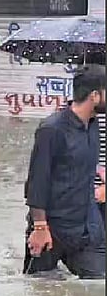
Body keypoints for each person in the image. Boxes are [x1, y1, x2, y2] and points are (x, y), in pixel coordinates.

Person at [23, 64, 105, 279]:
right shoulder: (52, 129)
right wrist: (40, 227)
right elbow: (36, 182)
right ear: (95, 96)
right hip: (52, 230)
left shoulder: (93, 125)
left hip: (86, 229)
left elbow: (81, 162)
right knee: (40, 291)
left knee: (98, 288)